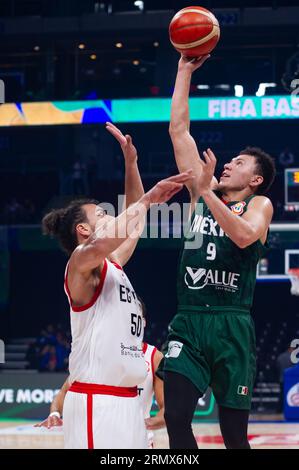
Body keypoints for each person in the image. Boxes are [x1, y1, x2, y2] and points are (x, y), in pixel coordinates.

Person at [41, 122, 192, 449]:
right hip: (97, 402)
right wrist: (148, 198)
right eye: (102, 214)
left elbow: (133, 222)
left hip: (129, 404)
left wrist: (131, 163)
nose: (111, 216)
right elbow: (118, 230)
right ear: (83, 230)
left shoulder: (114, 265)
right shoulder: (81, 263)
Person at [159, 55, 276, 449]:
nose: (227, 165)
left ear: (255, 179)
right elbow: (179, 130)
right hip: (190, 320)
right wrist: (184, 70)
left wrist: (207, 190)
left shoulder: (259, 205)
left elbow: (244, 237)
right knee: (175, 416)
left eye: (238, 164)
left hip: (232, 324)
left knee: (234, 439)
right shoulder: (201, 194)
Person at [35, 298, 165, 448]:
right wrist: (54, 414)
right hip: (101, 434)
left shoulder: (154, 356)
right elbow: (64, 392)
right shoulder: (97, 351)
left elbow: (166, 408)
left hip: (137, 439)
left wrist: (139, 424)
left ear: (143, 322)